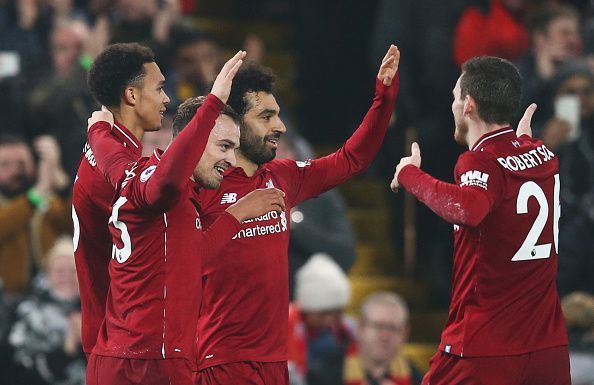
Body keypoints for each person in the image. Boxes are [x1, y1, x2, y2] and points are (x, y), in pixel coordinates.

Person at [193, 44, 400, 385]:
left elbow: (352, 159)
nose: (280, 126)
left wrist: (384, 98)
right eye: (266, 116)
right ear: (233, 123)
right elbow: (180, 264)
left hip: (276, 364)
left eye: (278, 114)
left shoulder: (283, 177)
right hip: (220, 365)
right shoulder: (201, 187)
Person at [86, 51, 286, 385]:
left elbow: (194, 256)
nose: (230, 160)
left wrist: (98, 132)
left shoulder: (134, 173)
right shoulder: (166, 188)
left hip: (115, 357)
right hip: (152, 363)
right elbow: (166, 180)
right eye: (222, 147)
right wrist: (213, 103)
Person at [390, 56, 569, 385]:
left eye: (455, 96)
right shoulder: (544, 154)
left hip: (485, 347)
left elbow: (468, 209)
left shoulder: (479, 160)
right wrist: (525, 142)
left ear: (468, 105)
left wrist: (410, 175)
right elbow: (519, 163)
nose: (453, 105)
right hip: (548, 349)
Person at [72, 42, 170, 361]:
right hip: (120, 341)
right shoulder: (115, 170)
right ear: (131, 95)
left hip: (116, 334)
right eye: (159, 88)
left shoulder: (106, 151)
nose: (166, 99)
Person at [8, 236, 85, 385]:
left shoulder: (99, 312)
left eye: (73, 271)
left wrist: (88, 340)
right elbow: (16, 370)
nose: (67, 277)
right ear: (48, 273)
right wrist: (66, 349)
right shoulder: (29, 312)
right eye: (60, 272)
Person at [0, 134, 71, 294]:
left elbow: (76, 225)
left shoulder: (46, 200)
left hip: (51, 295)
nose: (15, 171)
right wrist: (37, 193)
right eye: (5, 165)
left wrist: (60, 181)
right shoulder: (37, 196)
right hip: (7, 301)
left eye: (22, 163)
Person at [288, 253, 355, 385]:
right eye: (323, 313)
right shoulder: (283, 325)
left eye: (335, 313)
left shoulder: (347, 329)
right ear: (307, 308)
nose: (329, 320)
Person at [344, 292, 423, 385]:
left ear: (405, 333)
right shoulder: (328, 371)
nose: (384, 336)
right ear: (361, 327)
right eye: (378, 326)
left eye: (393, 328)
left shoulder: (418, 379)